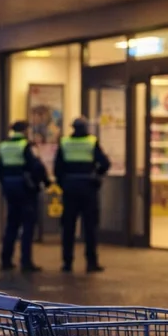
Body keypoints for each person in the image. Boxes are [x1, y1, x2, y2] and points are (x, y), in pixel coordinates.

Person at [55, 116, 111, 272]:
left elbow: (57, 168)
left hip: (70, 188)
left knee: (68, 227)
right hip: (88, 188)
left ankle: (67, 262)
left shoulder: (65, 142)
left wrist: (63, 184)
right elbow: (105, 163)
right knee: (90, 227)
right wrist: (97, 176)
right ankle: (91, 262)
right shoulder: (91, 142)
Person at [0, 120, 51, 272]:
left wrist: (5, 186)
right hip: (26, 190)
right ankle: (26, 261)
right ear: (25, 130)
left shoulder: (3, 146)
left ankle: (6, 259)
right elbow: (37, 167)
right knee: (28, 225)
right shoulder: (27, 146)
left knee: (11, 224)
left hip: (10, 189)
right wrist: (44, 182)